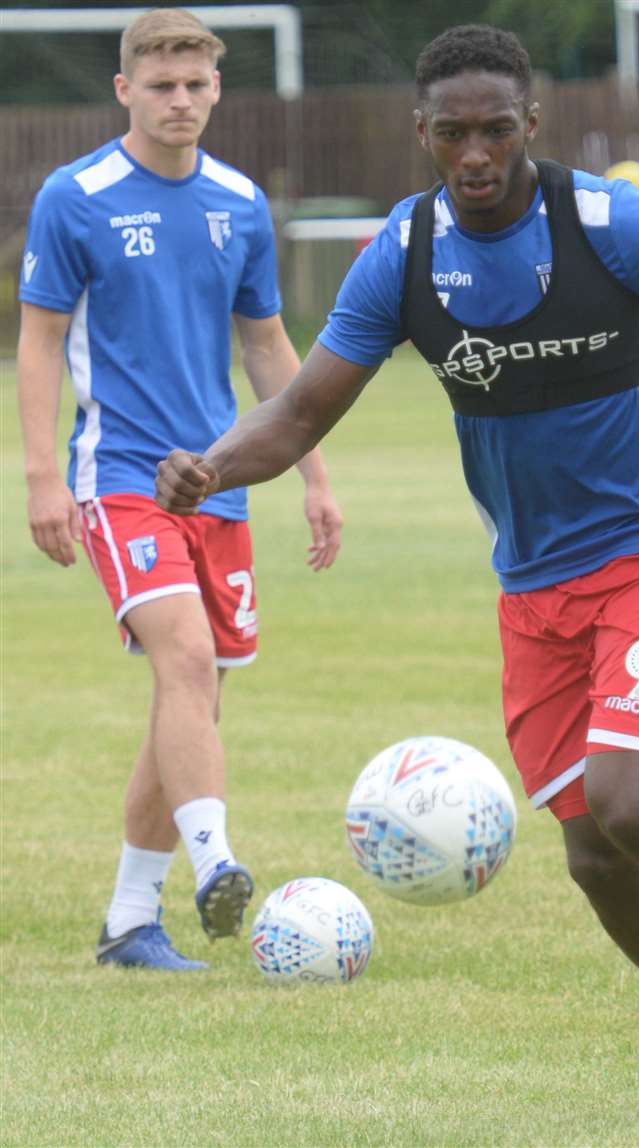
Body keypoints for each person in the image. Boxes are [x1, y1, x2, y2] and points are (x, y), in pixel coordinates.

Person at [155, 24, 639, 1116]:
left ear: (531, 124)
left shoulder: (607, 224)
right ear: (424, 135)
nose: (476, 154)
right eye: (454, 134)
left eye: (497, 130)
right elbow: (301, 409)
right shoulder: (404, 253)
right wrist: (212, 464)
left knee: (634, 800)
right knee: (596, 858)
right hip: (532, 585)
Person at [16, 8, 343, 971]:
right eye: (161, 85)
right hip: (119, 479)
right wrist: (42, 479)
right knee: (187, 661)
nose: (181, 101)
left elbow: (267, 346)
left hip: (221, 488)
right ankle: (217, 864)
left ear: (215, 90)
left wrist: (313, 474)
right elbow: (36, 341)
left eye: (196, 85)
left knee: (191, 695)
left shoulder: (239, 203)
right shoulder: (74, 196)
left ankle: (128, 921)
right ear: (126, 90)